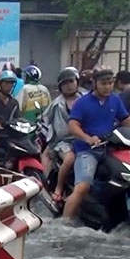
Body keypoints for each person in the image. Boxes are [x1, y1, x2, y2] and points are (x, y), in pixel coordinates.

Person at [62, 68, 130, 221]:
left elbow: (126, 119)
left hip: (110, 148)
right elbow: (73, 125)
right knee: (82, 188)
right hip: (88, 151)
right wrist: (87, 138)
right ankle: (63, 223)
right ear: (94, 84)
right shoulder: (82, 103)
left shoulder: (115, 100)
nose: (108, 87)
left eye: (110, 83)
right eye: (103, 83)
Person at [40, 68, 81, 203]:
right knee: (69, 158)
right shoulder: (57, 104)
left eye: (71, 81)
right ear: (60, 87)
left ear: (77, 82)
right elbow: (51, 124)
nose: (69, 86)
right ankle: (58, 188)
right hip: (64, 141)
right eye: (65, 83)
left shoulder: (85, 99)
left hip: (87, 139)